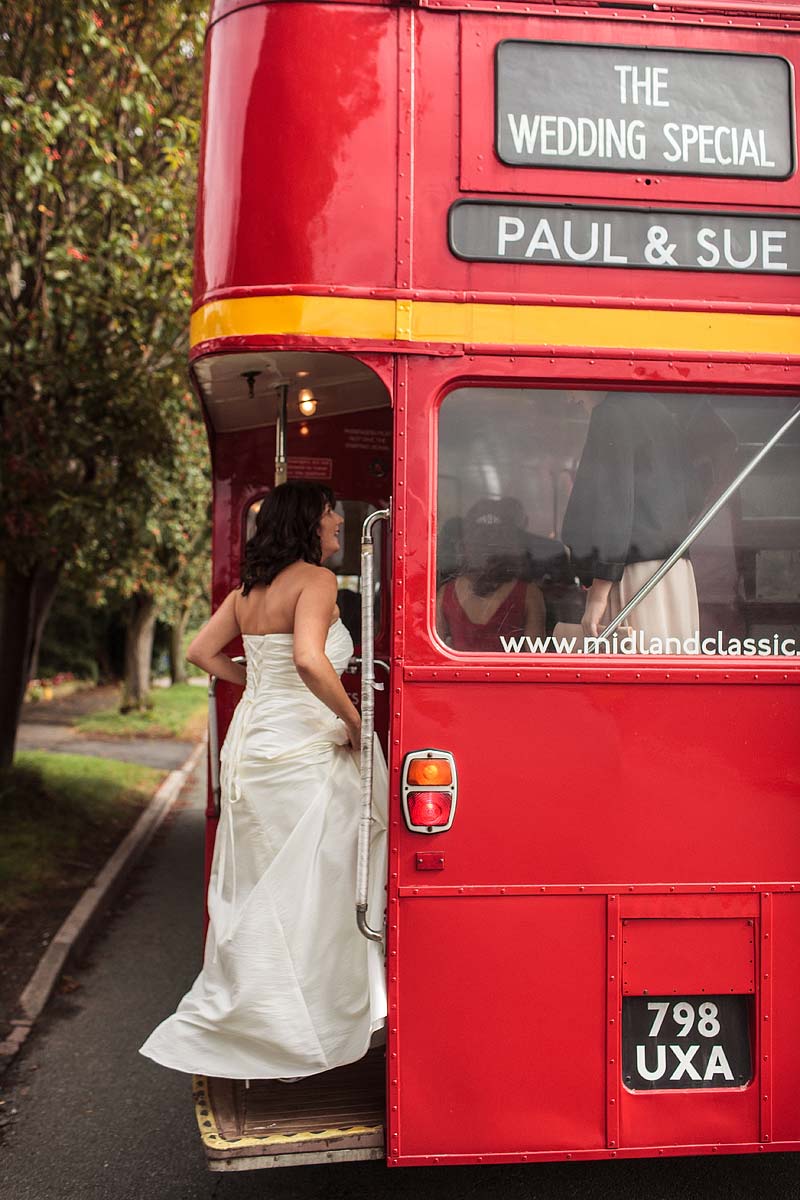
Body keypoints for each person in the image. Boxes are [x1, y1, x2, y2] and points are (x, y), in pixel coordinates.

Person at [140, 481, 387, 1081]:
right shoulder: (316, 580)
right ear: (310, 519)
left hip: (253, 744)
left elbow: (201, 651)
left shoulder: (249, 590)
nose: (337, 524)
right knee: (324, 875)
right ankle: (313, 1014)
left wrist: (254, 684)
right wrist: (354, 720)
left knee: (265, 881)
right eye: (332, 514)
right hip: (302, 746)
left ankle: (266, 1011)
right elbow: (309, 658)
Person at [561, 391, 700, 645]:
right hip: (676, 572)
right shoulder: (662, 412)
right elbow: (694, 496)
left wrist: (597, 595)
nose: (569, 398)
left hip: (631, 575)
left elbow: (612, 505)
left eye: (571, 389)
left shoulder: (611, 413)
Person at [437, 497, 546, 651]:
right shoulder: (529, 594)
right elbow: (535, 660)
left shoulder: (446, 593)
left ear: (465, 546)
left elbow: (431, 656)